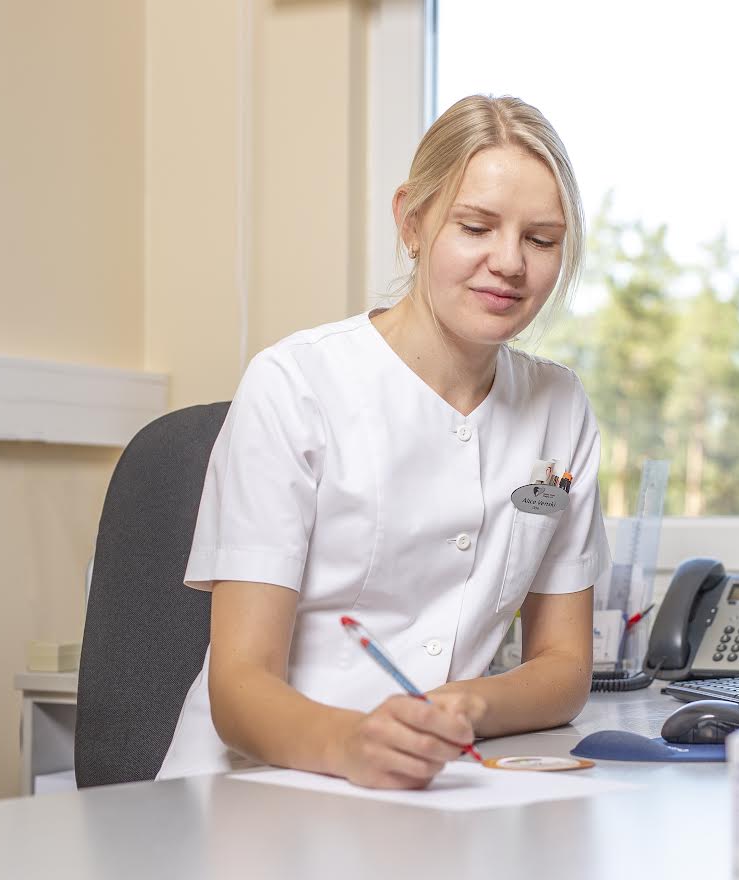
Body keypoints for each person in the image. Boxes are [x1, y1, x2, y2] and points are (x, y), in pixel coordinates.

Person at [156, 95, 610, 789]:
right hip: (258, 785)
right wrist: (352, 744)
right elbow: (239, 685)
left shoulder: (561, 409)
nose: (510, 262)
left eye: (542, 240)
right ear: (412, 221)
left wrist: (461, 705)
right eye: (477, 226)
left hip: (432, 783)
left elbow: (563, 665)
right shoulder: (296, 384)